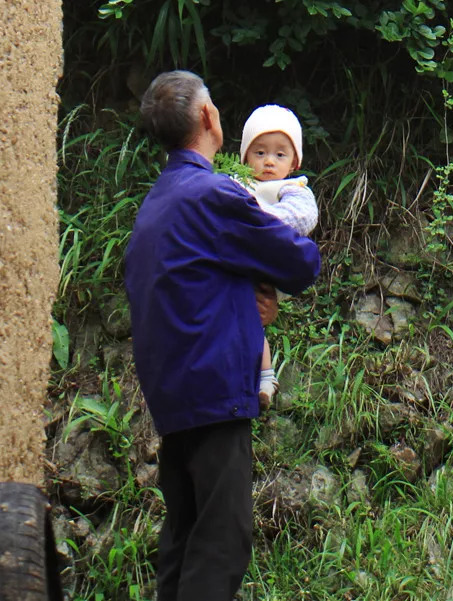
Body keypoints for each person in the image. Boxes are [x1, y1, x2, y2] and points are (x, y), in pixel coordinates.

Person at [125, 71, 321, 601]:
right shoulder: (213, 195)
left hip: (171, 399)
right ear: (208, 118)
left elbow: (191, 286)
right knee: (221, 541)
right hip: (214, 396)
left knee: (183, 540)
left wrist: (245, 296)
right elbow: (301, 261)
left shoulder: (156, 205)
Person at [236, 104, 318, 410]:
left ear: (294, 161)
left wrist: (255, 219)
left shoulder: (294, 189)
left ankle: (266, 377)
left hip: (271, 265)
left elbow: (302, 218)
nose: (269, 161)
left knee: (257, 313)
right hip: (240, 264)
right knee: (248, 317)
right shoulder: (236, 183)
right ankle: (261, 378)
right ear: (244, 156)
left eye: (280, 154)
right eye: (259, 153)